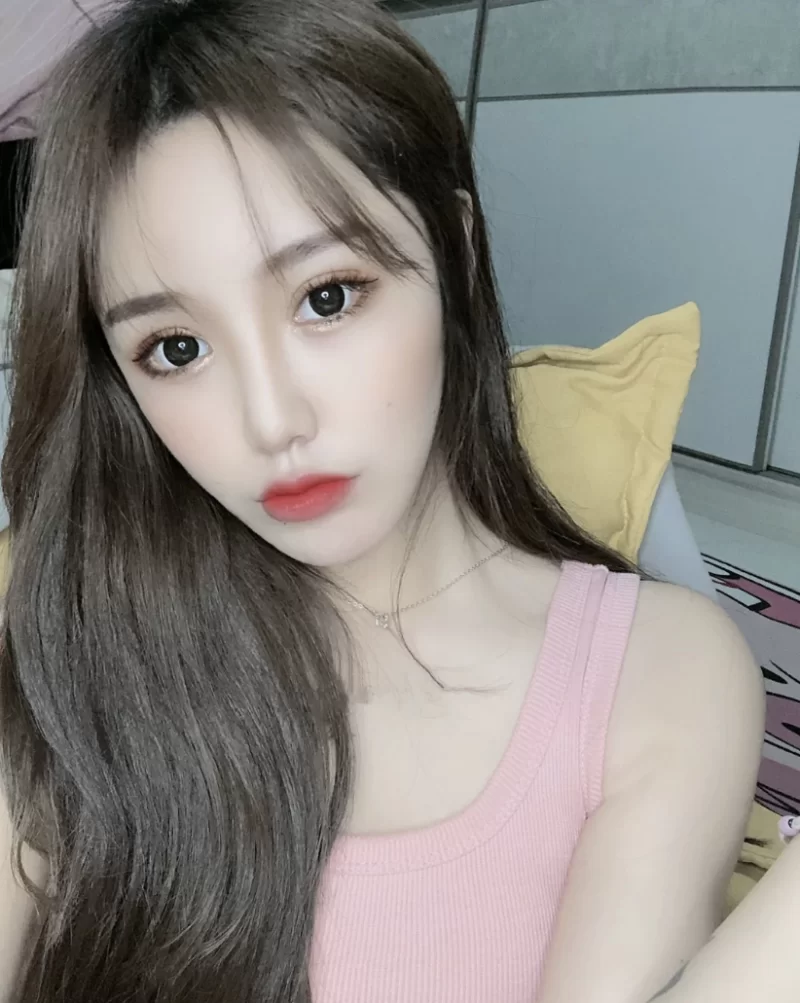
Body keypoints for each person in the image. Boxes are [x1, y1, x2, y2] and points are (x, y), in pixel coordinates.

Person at [0, 2, 764, 1001]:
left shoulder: (655, 677)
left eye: (326, 297)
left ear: (455, 250)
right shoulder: (69, 665)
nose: (272, 420)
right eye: (176, 349)